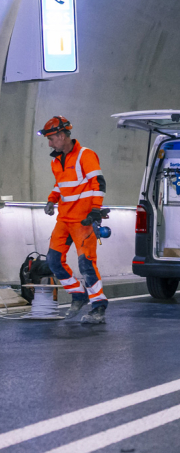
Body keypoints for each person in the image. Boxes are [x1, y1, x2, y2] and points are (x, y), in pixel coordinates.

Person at [38, 116, 108, 324]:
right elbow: (60, 185)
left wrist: (95, 211)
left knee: (86, 264)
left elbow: (98, 183)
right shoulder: (55, 161)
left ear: (62, 135)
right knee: (53, 261)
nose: (50, 144)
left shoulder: (85, 155)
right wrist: (52, 200)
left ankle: (98, 307)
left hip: (83, 220)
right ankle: (78, 295)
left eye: (51, 139)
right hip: (64, 219)